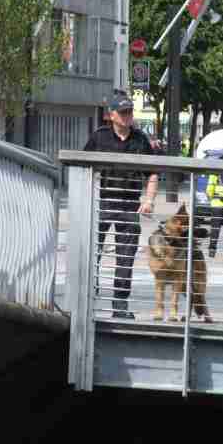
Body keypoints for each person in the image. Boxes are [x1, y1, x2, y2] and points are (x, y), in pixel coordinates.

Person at [84, 96, 158, 321]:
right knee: (91, 253)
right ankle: (88, 298)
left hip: (129, 204)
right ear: (112, 115)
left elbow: (153, 172)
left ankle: (120, 306)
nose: (128, 116)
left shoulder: (140, 139)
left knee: (125, 258)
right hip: (102, 202)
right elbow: (82, 164)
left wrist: (149, 200)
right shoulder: (99, 137)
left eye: (130, 112)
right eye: (123, 112)